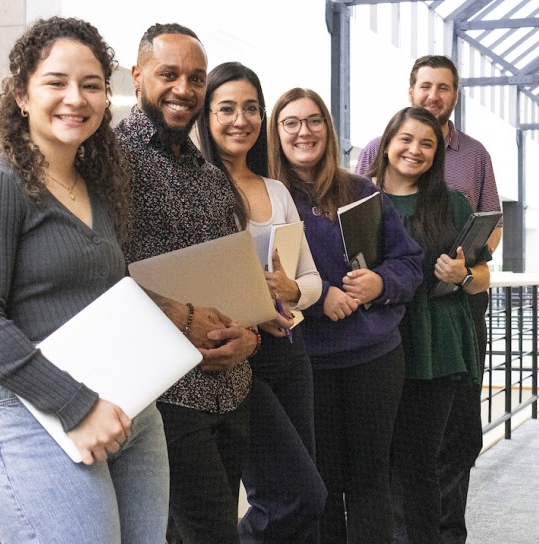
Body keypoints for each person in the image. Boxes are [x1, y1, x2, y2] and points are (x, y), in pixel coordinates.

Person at [0, 17, 168, 543]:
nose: (75, 98)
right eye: (56, 82)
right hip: (39, 414)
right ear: (22, 95)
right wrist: (77, 405)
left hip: (129, 410)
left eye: (91, 85)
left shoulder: (98, 187)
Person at [116, 24, 259, 544]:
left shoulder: (209, 174)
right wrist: (181, 315)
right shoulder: (109, 161)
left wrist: (249, 336)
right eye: (169, 74)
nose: (184, 89)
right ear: (137, 75)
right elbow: (100, 273)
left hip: (231, 389)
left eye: (196, 78)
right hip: (165, 398)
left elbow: (234, 276)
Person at [357, 55, 502, 543]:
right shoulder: (359, 199)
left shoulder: (452, 202)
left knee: (419, 466)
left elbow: (483, 275)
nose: (414, 151)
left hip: (435, 347)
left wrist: (463, 276)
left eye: (427, 144)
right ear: (386, 144)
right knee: (373, 467)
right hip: (376, 345)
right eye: (406, 140)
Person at [268, 87, 424, 543]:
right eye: (291, 122)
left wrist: (380, 283)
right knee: (321, 484)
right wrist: (319, 297)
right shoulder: (269, 197)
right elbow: (263, 276)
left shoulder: (361, 191)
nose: (304, 131)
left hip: (374, 357)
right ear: (276, 132)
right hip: (307, 362)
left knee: (370, 481)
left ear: (328, 130)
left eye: (314, 120)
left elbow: (409, 263)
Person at [196, 61, 327, 543]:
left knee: (306, 508)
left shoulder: (276, 189)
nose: (241, 120)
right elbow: (197, 284)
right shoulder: (198, 187)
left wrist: (293, 294)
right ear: (207, 116)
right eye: (227, 109)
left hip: (290, 353)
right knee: (297, 494)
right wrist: (256, 310)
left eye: (251, 108)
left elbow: (310, 279)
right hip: (238, 359)